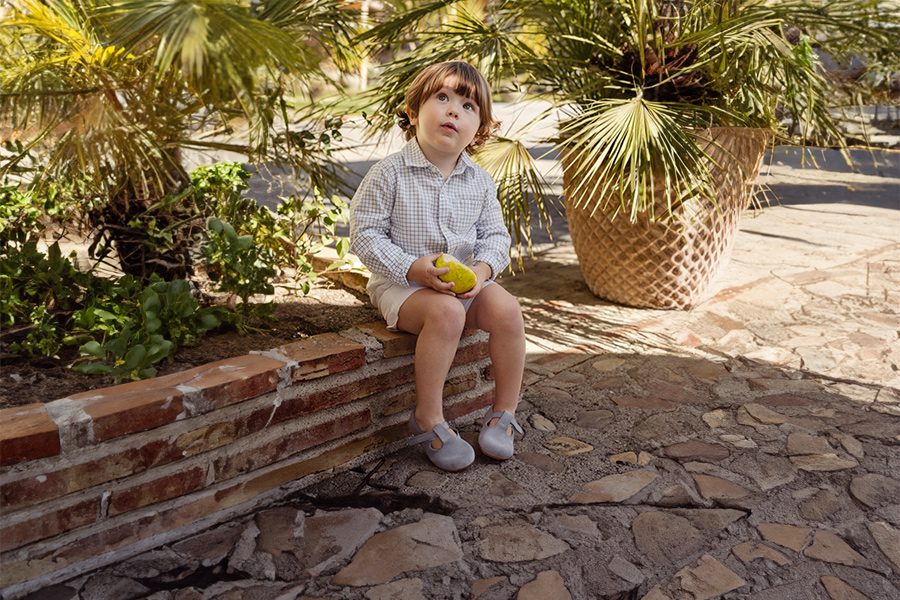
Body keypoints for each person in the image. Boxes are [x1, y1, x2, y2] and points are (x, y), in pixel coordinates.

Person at [350, 61, 526, 472]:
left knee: (508, 310)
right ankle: (427, 417)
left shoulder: (481, 182)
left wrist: (481, 273)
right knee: (446, 311)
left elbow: (497, 238)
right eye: (442, 98)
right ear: (413, 114)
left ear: (479, 130)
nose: (453, 111)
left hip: (462, 280)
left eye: (467, 106)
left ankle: (503, 413)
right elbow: (365, 236)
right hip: (403, 285)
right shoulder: (388, 175)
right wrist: (413, 268)